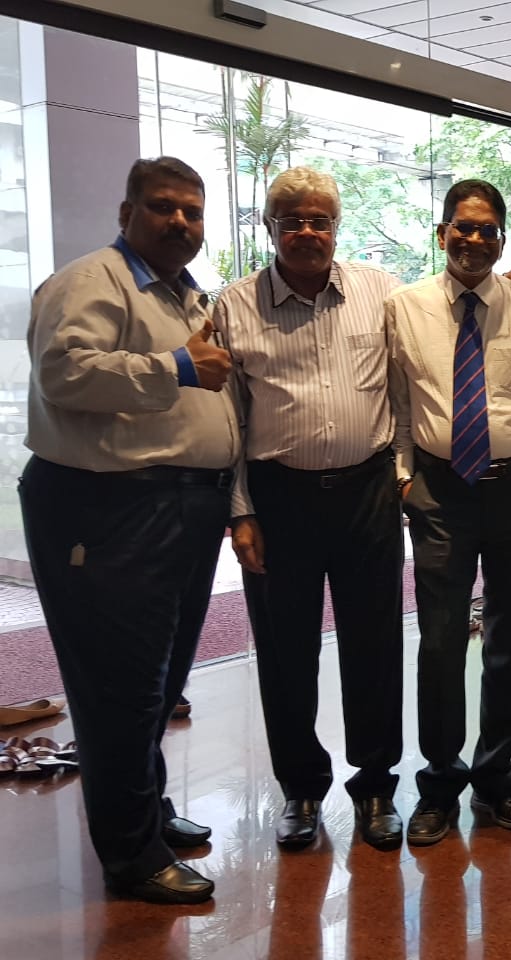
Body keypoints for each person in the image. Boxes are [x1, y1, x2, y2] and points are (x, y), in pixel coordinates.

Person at [20, 157, 236, 904]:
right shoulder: (92, 281)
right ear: (127, 213)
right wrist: (175, 366)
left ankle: (146, 813)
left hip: (182, 508)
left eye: (192, 212)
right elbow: (64, 373)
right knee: (121, 688)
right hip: (109, 509)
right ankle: (131, 856)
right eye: (163, 207)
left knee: (160, 681)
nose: (180, 222)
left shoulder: (184, 295)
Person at [214, 167, 405, 853]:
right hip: (278, 500)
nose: (306, 231)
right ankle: (300, 789)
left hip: (367, 492)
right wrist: (240, 512)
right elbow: (228, 419)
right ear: (269, 228)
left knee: (375, 645)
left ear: (336, 227)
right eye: (291, 219)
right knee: (284, 651)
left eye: (319, 219)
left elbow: (407, 382)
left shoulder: (379, 291)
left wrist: (402, 475)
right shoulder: (234, 305)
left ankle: (376, 785)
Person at [385, 179, 511, 846]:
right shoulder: (405, 307)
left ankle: (496, 777)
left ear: (503, 241)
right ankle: (439, 782)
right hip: (439, 493)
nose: (476, 239)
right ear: (442, 234)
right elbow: (398, 399)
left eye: (489, 229)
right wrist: (404, 477)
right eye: (464, 226)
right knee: (439, 641)